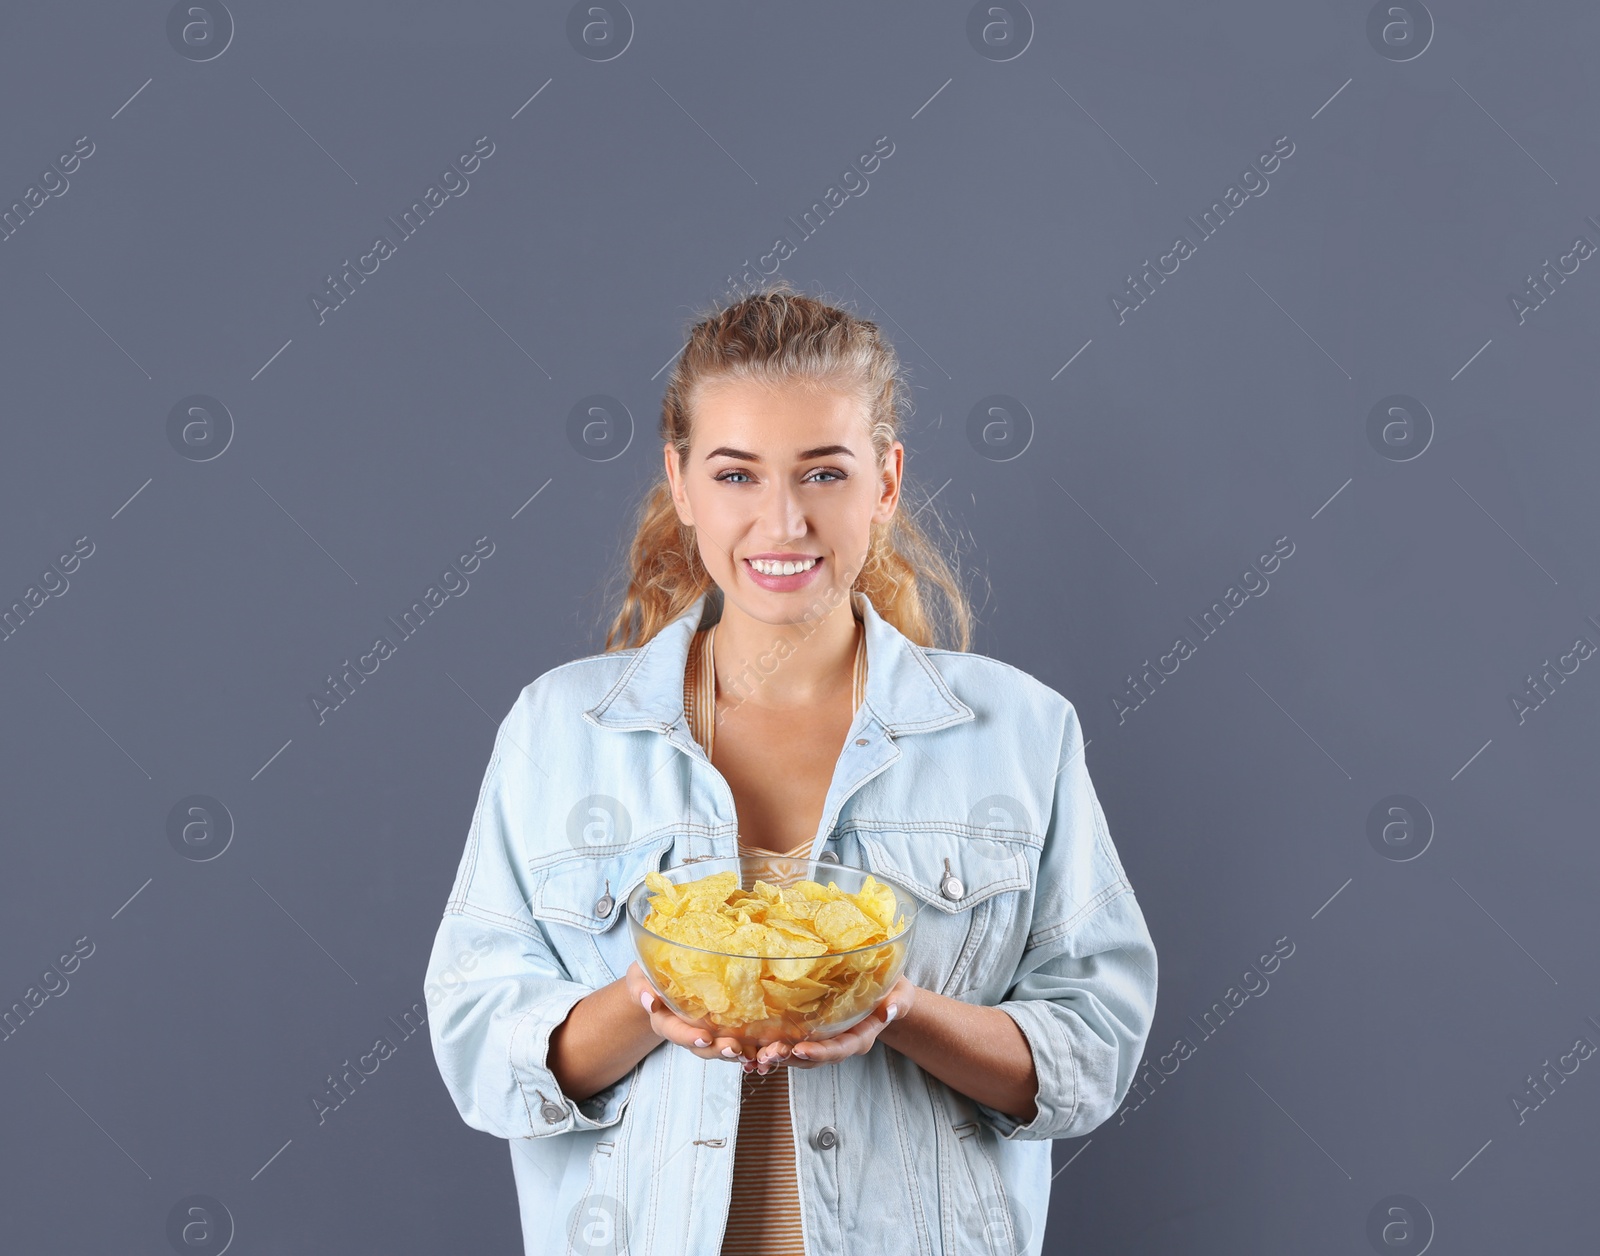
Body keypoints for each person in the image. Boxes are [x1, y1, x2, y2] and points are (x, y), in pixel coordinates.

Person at [424, 283, 1158, 1256]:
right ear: (680, 483)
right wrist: (651, 999)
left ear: (885, 483)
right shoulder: (559, 730)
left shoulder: (1019, 731)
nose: (782, 521)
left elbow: (1093, 1045)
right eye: (736, 475)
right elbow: (479, 1043)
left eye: (822, 473)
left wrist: (892, 1005)